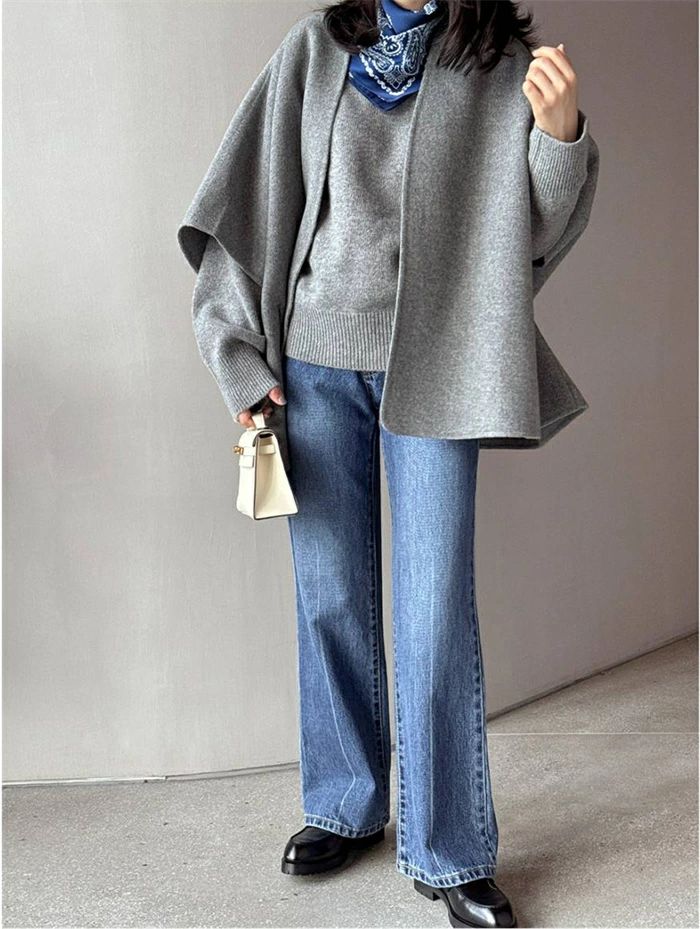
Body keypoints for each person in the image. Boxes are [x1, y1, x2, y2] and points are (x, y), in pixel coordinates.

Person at [178, 2, 599, 926]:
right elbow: (244, 206)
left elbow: (529, 238)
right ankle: (345, 802)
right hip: (312, 366)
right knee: (329, 592)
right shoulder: (315, 51)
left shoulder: (498, 65)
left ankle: (450, 851)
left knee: (434, 608)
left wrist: (559, 136)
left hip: (440, 364)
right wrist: (239, 358)